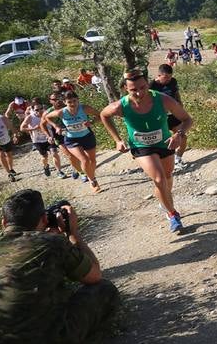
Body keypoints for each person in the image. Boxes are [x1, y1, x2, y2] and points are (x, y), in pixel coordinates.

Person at [0, 190, 119, 344]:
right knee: (105, 289)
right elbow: (94, 276)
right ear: (45, 219)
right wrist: (72, 233)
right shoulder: (52, 243)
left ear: (3, 223)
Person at [100, 68, 194, 234]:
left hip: (165, 143)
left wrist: (179, 134)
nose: (139, 92)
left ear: (147, 84)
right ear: (125, 89)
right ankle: (173, 215)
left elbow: (187, 119)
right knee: (159, 179)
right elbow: (104, 115)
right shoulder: (120, 106)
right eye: (133, 89)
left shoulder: (163, 99)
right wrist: (117, 140)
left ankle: (163, 200)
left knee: (167, 177)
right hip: (141, 147)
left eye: (143, 87)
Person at [46, 92, 104, 193]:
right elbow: (47, 117)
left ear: (78, 100)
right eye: (69, 102)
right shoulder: (61, 112)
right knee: (84, 160)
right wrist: (56, 126)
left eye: (75, 101)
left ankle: (90, 175)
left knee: (93, 161)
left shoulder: (84, 108)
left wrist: (91, 122)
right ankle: (92, 180)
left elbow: (100, 115)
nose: (73, 104)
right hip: (71, 139)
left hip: (87, 136)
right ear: (64, 102)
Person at [151, 63, 187, 169]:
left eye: (170, 77)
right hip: (160, 117)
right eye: (165, 77)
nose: (168, 80)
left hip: (174, 114)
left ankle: (178, 159)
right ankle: (162, 162)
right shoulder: (152, 85)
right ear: (159, 75)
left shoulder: (173, 81)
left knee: (182, 136)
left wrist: (180, 104)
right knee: (162, 140)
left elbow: (176, 93)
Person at [42, 92, 84, 180]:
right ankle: (80, 171)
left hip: (73, 132)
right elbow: (42, 125)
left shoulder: (68, 107)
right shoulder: (48, 112)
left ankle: (76, 168)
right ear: (50, 101)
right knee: (69, 155)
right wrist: (48, 135)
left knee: (79, 153)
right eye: (54, 99)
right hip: (58, 135)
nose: (57, 101)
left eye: (59, 98)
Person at [23, 99, 67, 178]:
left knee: (54, 153)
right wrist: (33, 129)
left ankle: (59, 171)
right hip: (38, 140)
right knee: (44, 157)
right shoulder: (30, 117)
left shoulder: (48, 115)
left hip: (49, 138)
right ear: (33, 110)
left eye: (41, 109)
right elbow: (22, 128)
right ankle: (46, 166)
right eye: (37, 109)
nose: (39, 111)